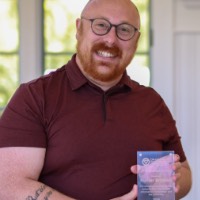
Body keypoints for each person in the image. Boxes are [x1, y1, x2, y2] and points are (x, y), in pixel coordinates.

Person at [0, 0, 192, 199]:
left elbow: (185, 174)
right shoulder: (35, 97)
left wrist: (176, 179)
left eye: (124, 30)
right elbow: (8, 185)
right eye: (100, 25)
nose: (110, 39)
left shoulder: (152, 103)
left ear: (136, 41)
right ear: (79, 28)